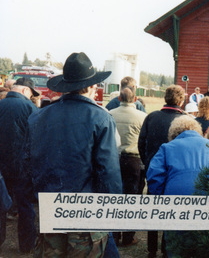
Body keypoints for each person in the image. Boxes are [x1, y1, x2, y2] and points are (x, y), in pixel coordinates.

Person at [26, 52, 122, 256]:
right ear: (89, 87)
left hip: (50, 210)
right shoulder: (101, 118)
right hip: (85, 215)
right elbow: (108, 173)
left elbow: (26, 165)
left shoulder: (38, 117)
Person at [147, 116, 209, 255]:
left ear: (173, 134)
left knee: (176, 246)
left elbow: (154, 178)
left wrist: (160, 200)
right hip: (207, 204)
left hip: (175, 205)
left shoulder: (167, 148)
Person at [138, 84, 185, 258]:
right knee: (170, 211)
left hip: (153, 171)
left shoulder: (151, 117)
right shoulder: (184, 120)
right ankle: (165, 248)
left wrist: (148, 163)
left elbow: (141, 142)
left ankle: (151, 249)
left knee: (152, 210)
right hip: (174, 173)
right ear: (180, 100)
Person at [0, 77, 39, 253]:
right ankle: (26, 245)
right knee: (25, 207)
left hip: (1, 166)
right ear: (24, 90)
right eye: (31, 93)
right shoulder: (31, 108)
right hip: (23, 167)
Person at [109, 86, 147, 247]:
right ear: (135, 99)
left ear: (119, 99)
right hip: (133, 160)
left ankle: (115, 234)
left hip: (114, 158)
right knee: (132, 197)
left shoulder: (110, 115)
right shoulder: (142, 116)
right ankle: (128, 235)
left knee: (115, 197)